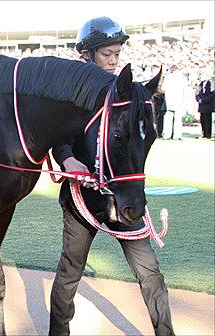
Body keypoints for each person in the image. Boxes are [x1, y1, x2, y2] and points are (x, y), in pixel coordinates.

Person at [49, 17, 174, 336]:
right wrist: (68, 159)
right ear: (87, 55)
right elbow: (58, 139)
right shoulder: (70, 96)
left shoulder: (125, 94)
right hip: (82, 200)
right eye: (107, 53)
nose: (114, 59)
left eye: (117, 52)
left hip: (125, 199)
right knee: (70, 271)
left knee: (150, 273)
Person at [162, 64, 189, 140]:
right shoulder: (183, 77)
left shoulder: (168, 77)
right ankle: (177, 135)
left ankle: (167, 135)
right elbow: (186, 90)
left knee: (168, 118)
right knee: (178, 118)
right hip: (179, 99)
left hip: (169, 99)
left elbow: (163, 88)